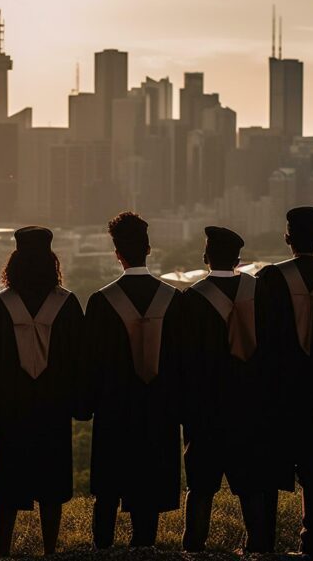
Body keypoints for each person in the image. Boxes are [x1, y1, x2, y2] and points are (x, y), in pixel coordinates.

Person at [0, 226, 84, 557]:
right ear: (52, 261)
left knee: (8, 490)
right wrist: (78, 405)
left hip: (11, 412)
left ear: (15, 262)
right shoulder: (66, 305)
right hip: (54, 410)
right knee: (51, 490)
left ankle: (3, 552)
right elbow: (81, 361)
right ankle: (50, 551)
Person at [82, 212, 183, 549]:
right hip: (159, 410)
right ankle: (144, 547)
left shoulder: (100, 302)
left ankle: (103, 548)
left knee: (109, 485)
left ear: (117, 254)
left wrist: (88, 404)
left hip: (114, 410)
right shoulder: (173, 300)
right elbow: (182, 363)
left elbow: (91, 363)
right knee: (149, 486)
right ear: (149, 248)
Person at [256, 206, 313, 558]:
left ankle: (264, 543)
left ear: (287, 237)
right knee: (312, 472)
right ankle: (310, 543)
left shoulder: (270, 278)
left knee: (269, 472)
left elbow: (261, 341)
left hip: (276, 395)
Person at [180, 226, 279, 554]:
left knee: (201, 489)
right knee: (252, 489)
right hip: (252, 410)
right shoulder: (261, 292)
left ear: (206, 257)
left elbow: (187, 362)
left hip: (206, 412)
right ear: (239, 258)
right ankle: (259, 549)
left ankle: (193, 551)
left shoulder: (193, 299)